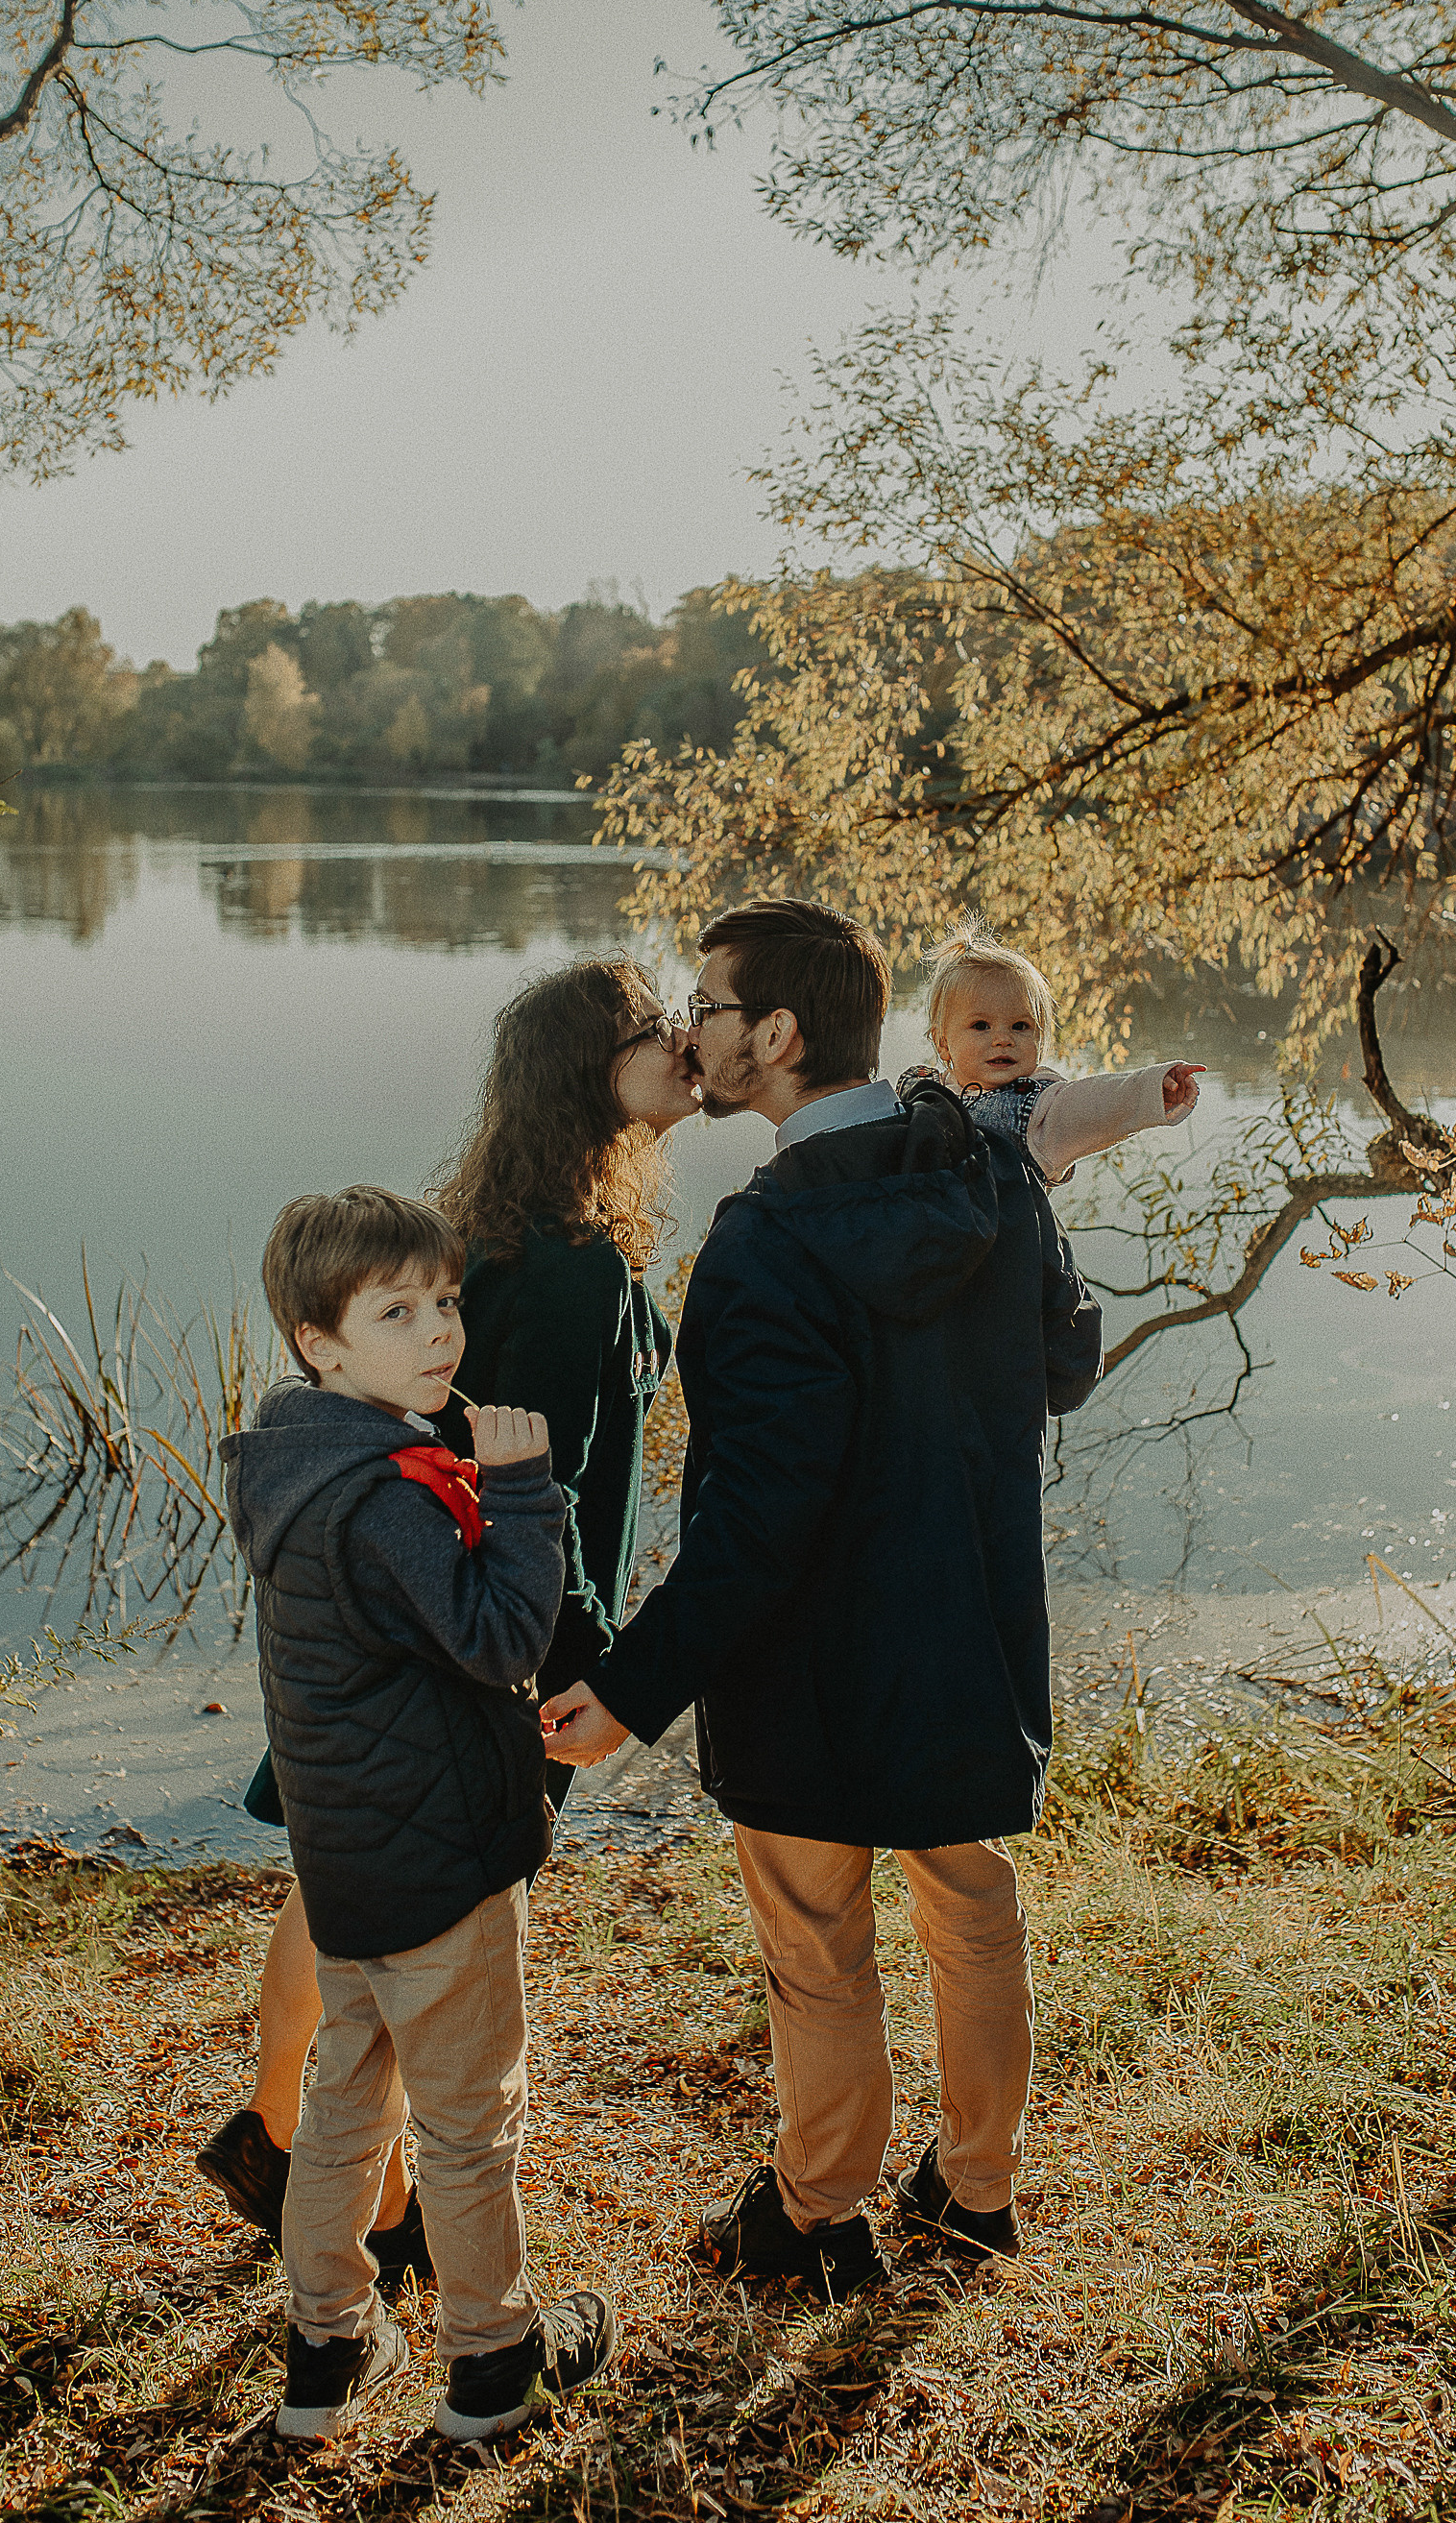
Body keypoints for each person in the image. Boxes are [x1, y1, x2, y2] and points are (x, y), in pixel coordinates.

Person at [541, 899, 1103, 2295]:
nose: (694, 1033)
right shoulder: (991, 1176)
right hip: (966, 1624)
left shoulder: (763, 1241)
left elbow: (757, 1518)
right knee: (967, 1902)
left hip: (817, 1660)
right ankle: (975, 2194)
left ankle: (818, 2213)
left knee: (814, 1936)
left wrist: (627, 1688)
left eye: (711, 1010)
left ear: (777, 1037)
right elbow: (1062, 1366)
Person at [197, 962, 695, 2260]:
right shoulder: (563, 1264)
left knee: (339, 1882)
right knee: (414, 1910)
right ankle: (360, 2185)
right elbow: (529, 1484)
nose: (685, 1041)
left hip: (430, 1618)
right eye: (655, 1029)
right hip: (487, 1634)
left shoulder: (526, 1225)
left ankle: (284, 2140)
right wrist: (594, 1676)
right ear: (594, 1069)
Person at [221, 1184, 617, 2444]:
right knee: (466, 2119)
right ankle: (493, 2360)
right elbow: (502, 1635)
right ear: (319, 1345)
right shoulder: (391, 1494)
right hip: (437, 1861)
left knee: (346, 2097)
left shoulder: (295, 1460)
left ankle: (328, 2344)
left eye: (444, 1301)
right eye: (395, 1311)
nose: (438, 1332)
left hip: (348, 1856)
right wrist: (520, 1489)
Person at [907, 920, 1202, 1181]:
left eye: (1020, 1026)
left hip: (1005, 1243)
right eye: (981, 1026)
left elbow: (1095, 1105)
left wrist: (1149, 1089)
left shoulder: (1042, 1114)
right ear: (943, 1043)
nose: (1003, 1039)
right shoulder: (922, 1088)